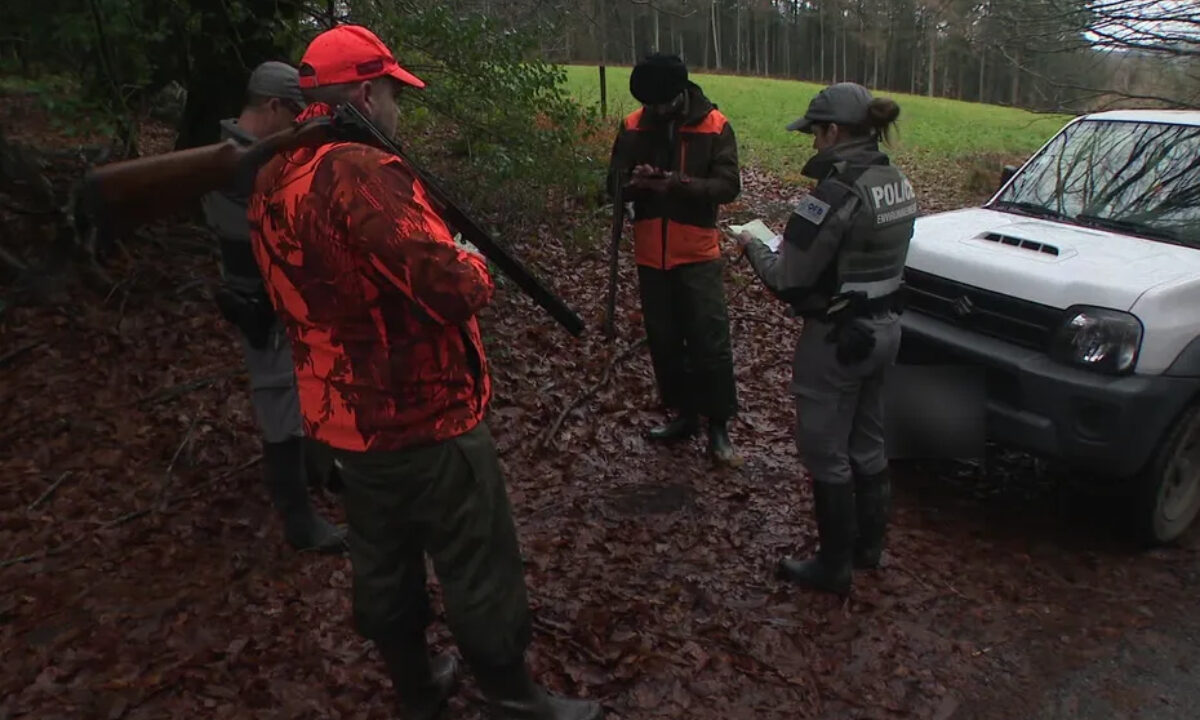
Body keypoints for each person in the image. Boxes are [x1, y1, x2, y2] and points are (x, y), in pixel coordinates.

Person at [245, 24, 603, 720]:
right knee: (477, 560)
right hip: (420, 414)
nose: (399, 111)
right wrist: (468, 256)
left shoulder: (272, 174)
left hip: (340, 422)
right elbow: (449, 284)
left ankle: (416, 687)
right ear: (368, 92)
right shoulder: (361, 173)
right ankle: (512, 696)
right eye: (394, 95)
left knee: (381, 561)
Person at [735, 82, 916, 596]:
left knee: (825, 451)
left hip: (838, 339)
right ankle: (868, 549)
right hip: (886, 330)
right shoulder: (896, 180)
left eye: (815, 134)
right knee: (869, 439)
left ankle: (833, 568)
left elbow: (789, 278)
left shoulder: (835, 194)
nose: (813, 145)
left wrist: (752, 246)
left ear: (833, 132)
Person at [199, 61, 346, 554]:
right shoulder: (233, 160)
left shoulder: (232, 154)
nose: (297, 124)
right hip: (260, 301)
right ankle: (300, 524)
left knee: (302, 392)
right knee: (280, 405)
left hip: (274, 295)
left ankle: (320, 474)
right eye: (294, 115)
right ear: (275, 106)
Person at [606, 53, 742, 466]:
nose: (656, 110)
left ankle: (718, 426)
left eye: (663, 103)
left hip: (697, 254)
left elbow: (728, 186)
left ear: (680, 93)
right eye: (650, 104)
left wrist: (678, 184)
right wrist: (634, 183)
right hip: (650, 256)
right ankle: (684, 416)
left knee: (709, 343)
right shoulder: (633, 125)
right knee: (665, 342)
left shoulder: (715, 126)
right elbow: (612, 184)